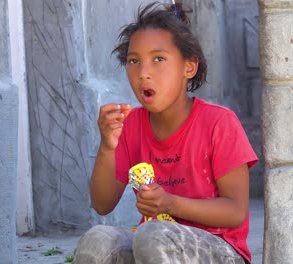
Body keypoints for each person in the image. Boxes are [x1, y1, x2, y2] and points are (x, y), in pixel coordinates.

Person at [74, 1, 258, 263]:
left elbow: (235, 211)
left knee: (153, 235)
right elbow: (102, 204)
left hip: (220, 251)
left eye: (158, 59)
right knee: (99, 241)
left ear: (189, 67)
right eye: (134, 61)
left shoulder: (219, 122)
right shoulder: (131, 126)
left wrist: (170, 203)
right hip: (156, 243)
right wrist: (107, 147)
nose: (143, 73)